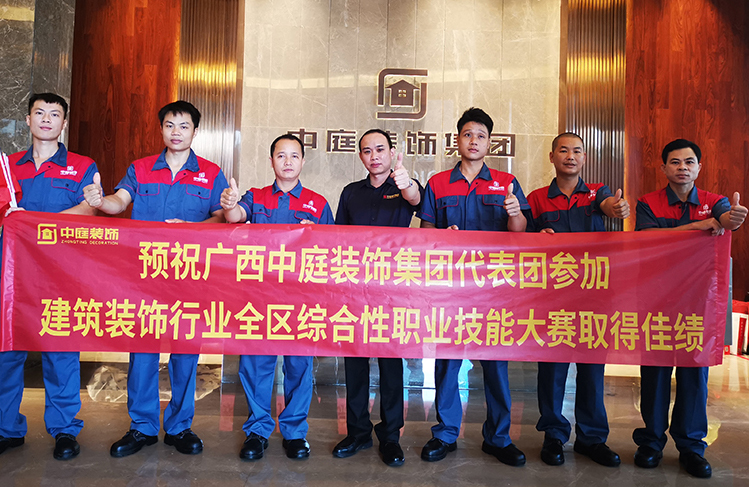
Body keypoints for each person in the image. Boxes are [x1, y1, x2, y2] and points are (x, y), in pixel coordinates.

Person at [83, 100, 228, 457]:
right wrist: (99, 201)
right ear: (161, 129)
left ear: (195, 131)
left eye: (184, 126)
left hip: (190, 275)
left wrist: (194, 227)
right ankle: (142, 426)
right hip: (145, 276)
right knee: (143, 352)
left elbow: (220, 218)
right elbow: (120, 202)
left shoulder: (211, 173)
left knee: (185, 353)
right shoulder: (141, 169)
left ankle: (180, 427)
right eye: (169, 125)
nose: (176, 132)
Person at [418, 107, 531, 466]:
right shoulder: (438, 183)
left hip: (493, 289)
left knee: (495, 365)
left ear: (489, 142)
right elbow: (425, 234)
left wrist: (514, 212)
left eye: (480, 135)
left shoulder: (506, 182)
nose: (473, 141)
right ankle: (445, 433)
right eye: (467, 134)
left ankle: (498, 437)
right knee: (447, 363)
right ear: (458, 140)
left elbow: (521, 233)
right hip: (450, 289)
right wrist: (443, 235)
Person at [633, 138, 747, 478]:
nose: (682, 167)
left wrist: (732, 218)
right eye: (675, 162)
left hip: (699, 302)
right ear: (664, 168)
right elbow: (648, 240)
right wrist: (698, 227)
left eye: (689, 162)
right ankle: (651, 442)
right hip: (657, 299)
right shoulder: (648, 203)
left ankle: (691, 447)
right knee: (655, 373)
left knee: (694, 375)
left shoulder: (714, 201)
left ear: (699, 167)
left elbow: (725, 220)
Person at [221, 133, 334, 461]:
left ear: (303, 161)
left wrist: (315, 235)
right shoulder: (255, 197)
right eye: (281, 155)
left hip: (301, 300)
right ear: (271, 160)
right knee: (256, 366)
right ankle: (257, 431)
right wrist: (230, 205)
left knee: (298, 367)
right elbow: (236, 217)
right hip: (259, 298)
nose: (287, 161)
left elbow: (332, 250)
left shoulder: (317, 203)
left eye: (294, 156)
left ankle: (295, 433)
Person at [0, 93, 98, 460]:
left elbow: (89, 209)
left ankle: (65, 430)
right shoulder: (8, 166)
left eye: (54, 114)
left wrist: (35, 222)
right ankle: (7, 428)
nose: (46, 119)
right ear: (27, 120)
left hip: (61, 274)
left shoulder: (82, 166)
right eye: (39, 113)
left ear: (64, 123)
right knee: (7, 353)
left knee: (61, 352)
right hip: (14, 276)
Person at [526, 132, 629, 467]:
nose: (570, 156)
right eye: (564, 150)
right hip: (552, 299)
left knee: (592, 370)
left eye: (577, 151)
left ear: (584, 158)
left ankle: (591, 438)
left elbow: (609, 206)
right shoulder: (537, 199)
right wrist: (537, 236)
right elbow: (521, 241)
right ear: (552, 157)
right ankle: (553, 435)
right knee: (552, 371)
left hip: (593, 298)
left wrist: (616, 207)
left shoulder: (597, 193)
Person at [332, 128, 423, 466]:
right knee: (355, 364)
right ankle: (357, 432)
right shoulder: (350, 192)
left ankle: (390, 436)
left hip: (392, 291)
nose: (374, 156)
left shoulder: (403, 186)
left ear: (392, 152)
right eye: (367, 150)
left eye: (380, 149)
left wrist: (406, 183)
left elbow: (416, 199)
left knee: (390, 366)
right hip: (356, 291)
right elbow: (338, 239)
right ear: (361, 156)